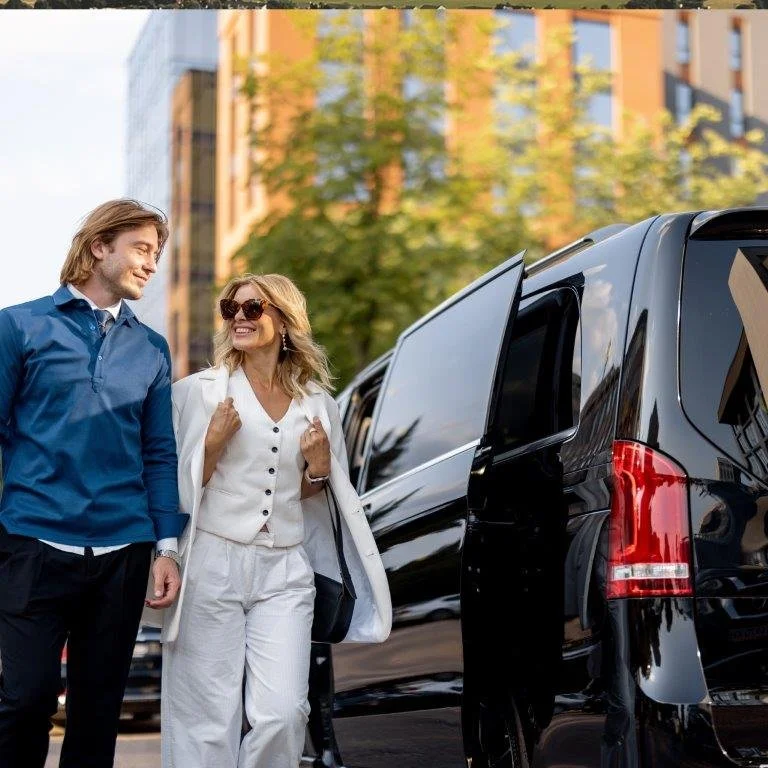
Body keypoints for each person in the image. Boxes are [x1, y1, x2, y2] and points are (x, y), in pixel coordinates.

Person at [147, 273, 391, 768]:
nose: (239, 317)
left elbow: (308, 494)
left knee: (284, 713)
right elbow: (171, 486)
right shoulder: (196, 393)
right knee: (205, 715)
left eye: (253, 308)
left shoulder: (318, 402)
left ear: (283, 320)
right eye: (230, 308)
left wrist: (319, 470)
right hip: (212, 561)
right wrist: (212, 444)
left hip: (286, 569)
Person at [0, 199, 188, 768]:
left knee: (97, 713)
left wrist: (166, 547)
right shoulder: (19, 326)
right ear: (99, 246)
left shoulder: (152, 349)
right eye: (141, 249)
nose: (151, 264)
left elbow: (158, 454)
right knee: (25, 700)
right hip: (33, 542)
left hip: (122, 552)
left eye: (156, 253)